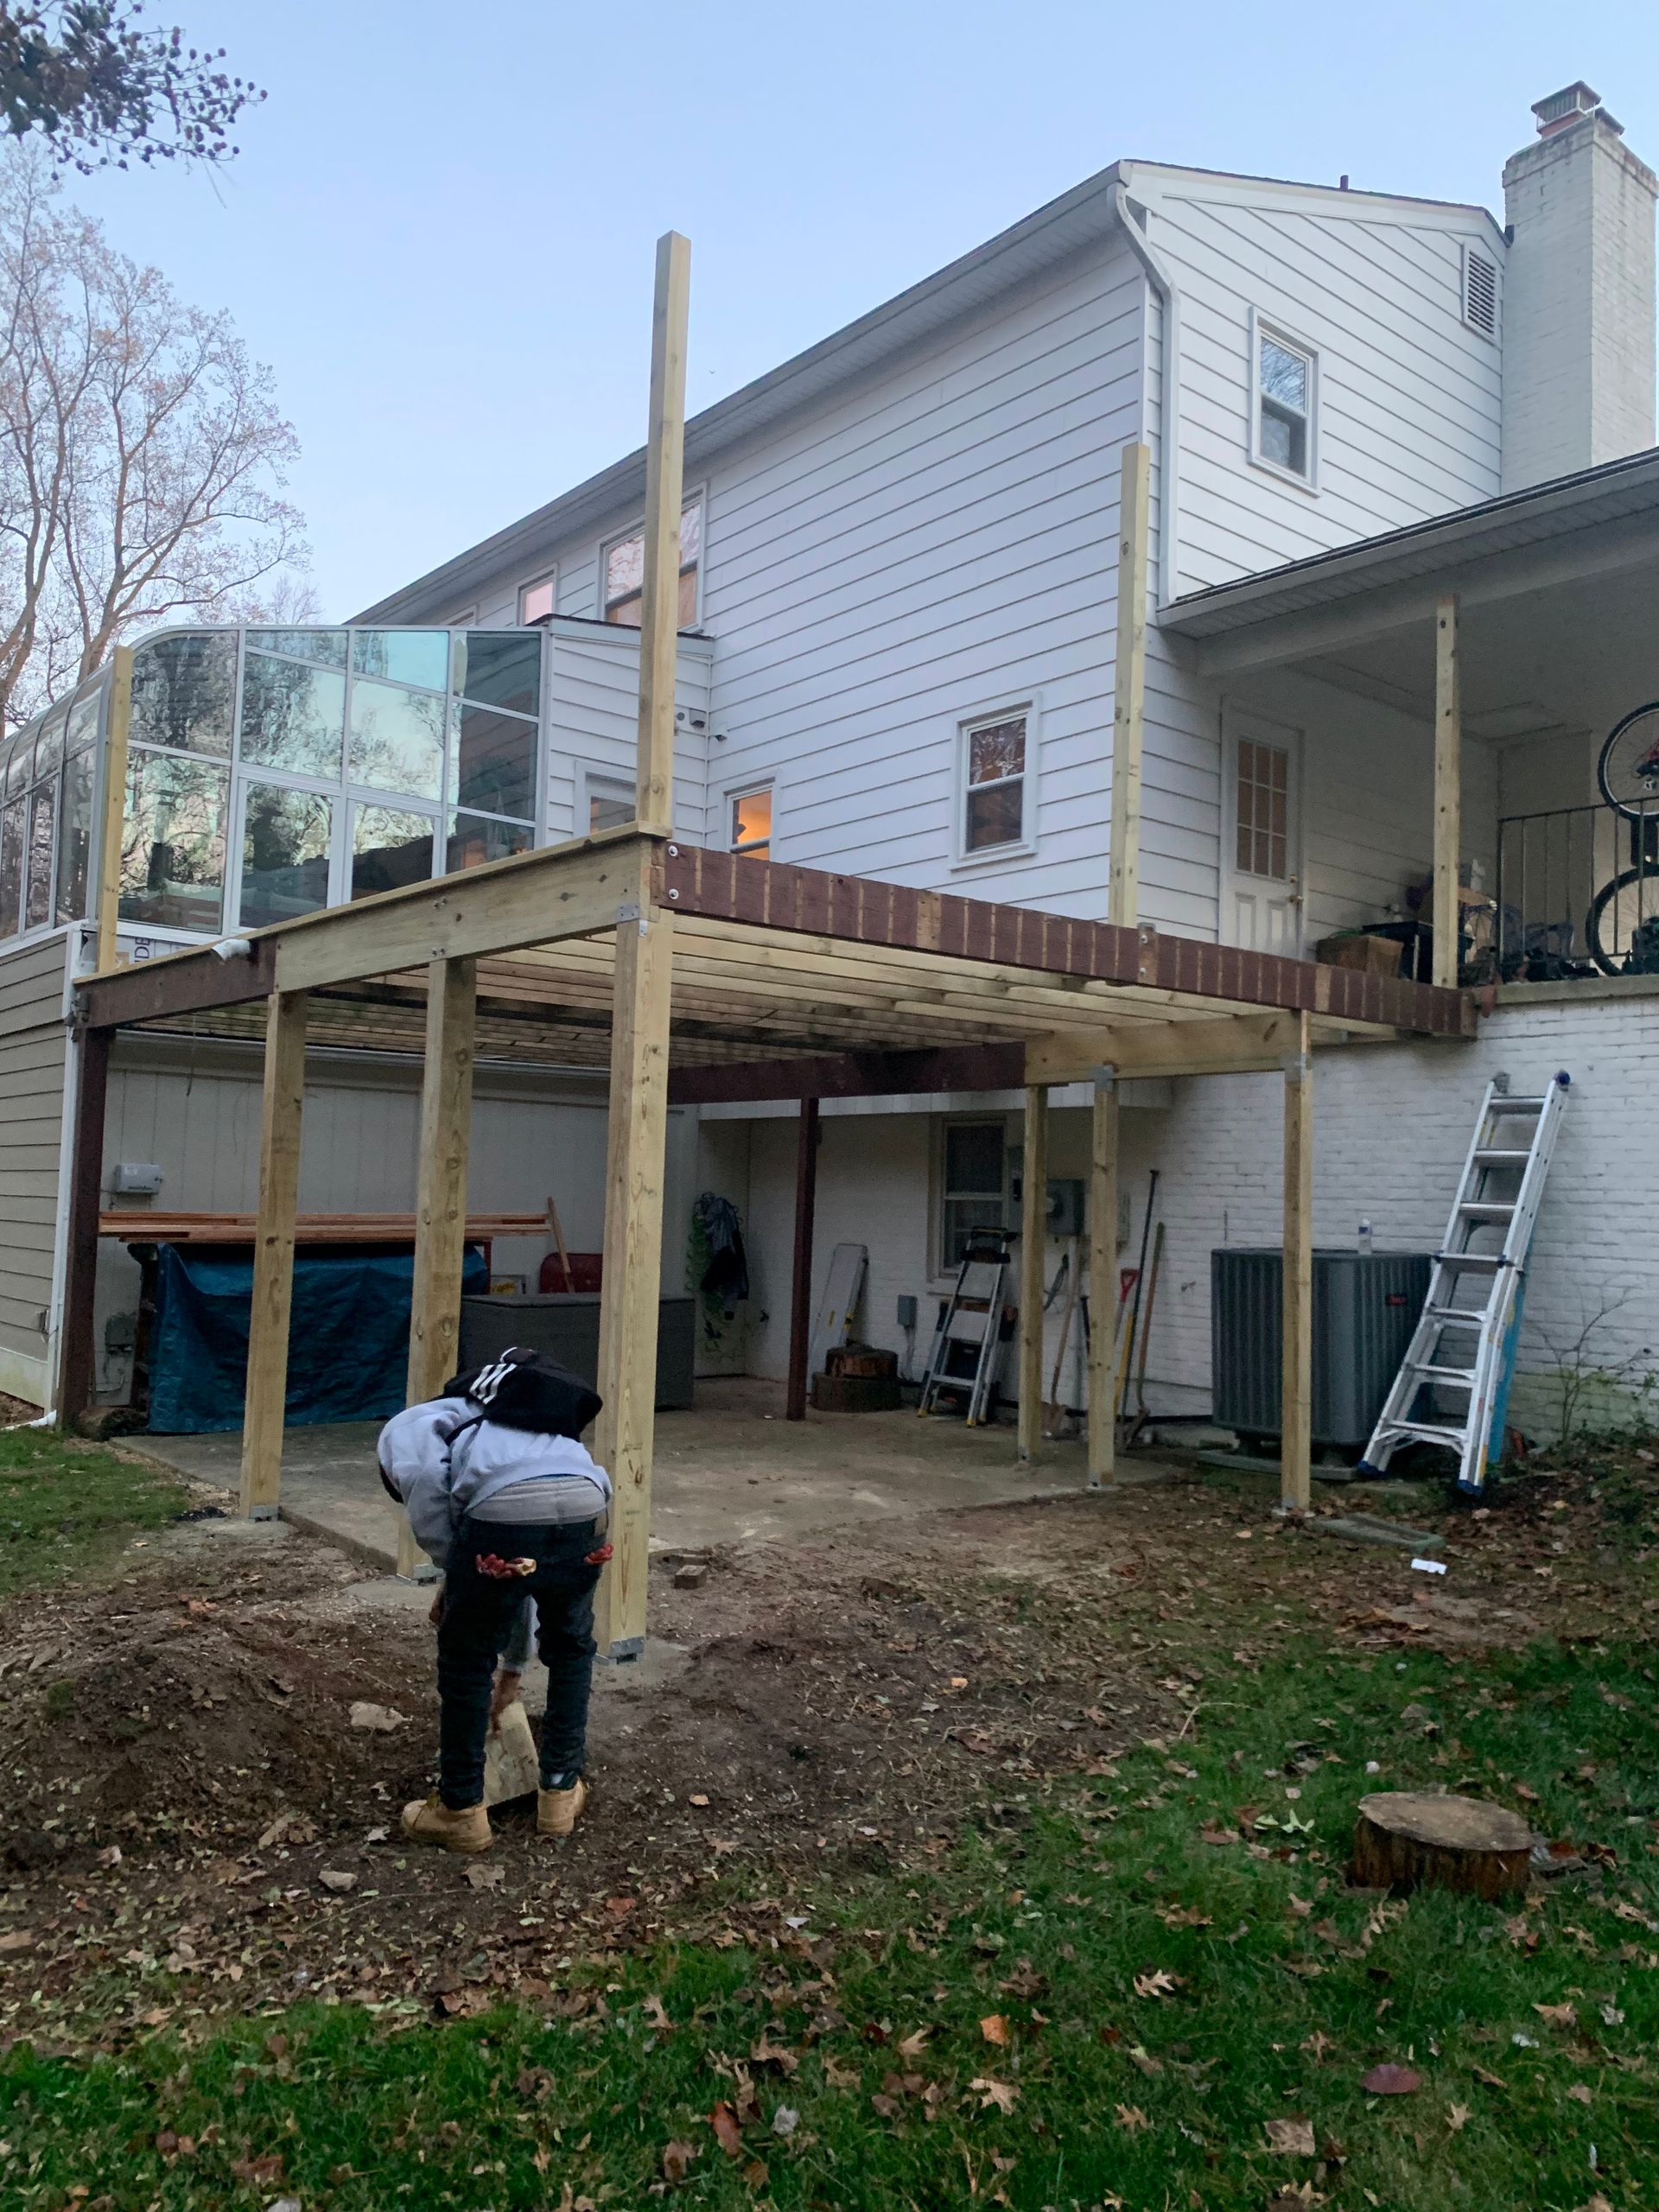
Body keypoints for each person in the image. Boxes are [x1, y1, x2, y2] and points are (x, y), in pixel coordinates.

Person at [377, 1346, 612, 1854]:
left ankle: (460, 1809)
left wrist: (455, 1573)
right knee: (572, 1646)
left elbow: (423, 1485)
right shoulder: (525, 1421)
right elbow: (524, 1579)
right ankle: (560, 1792)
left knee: (464, 1658)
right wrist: (513, 1669)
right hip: (589, 1500)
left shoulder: (413, 1424)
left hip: (502, 1511)